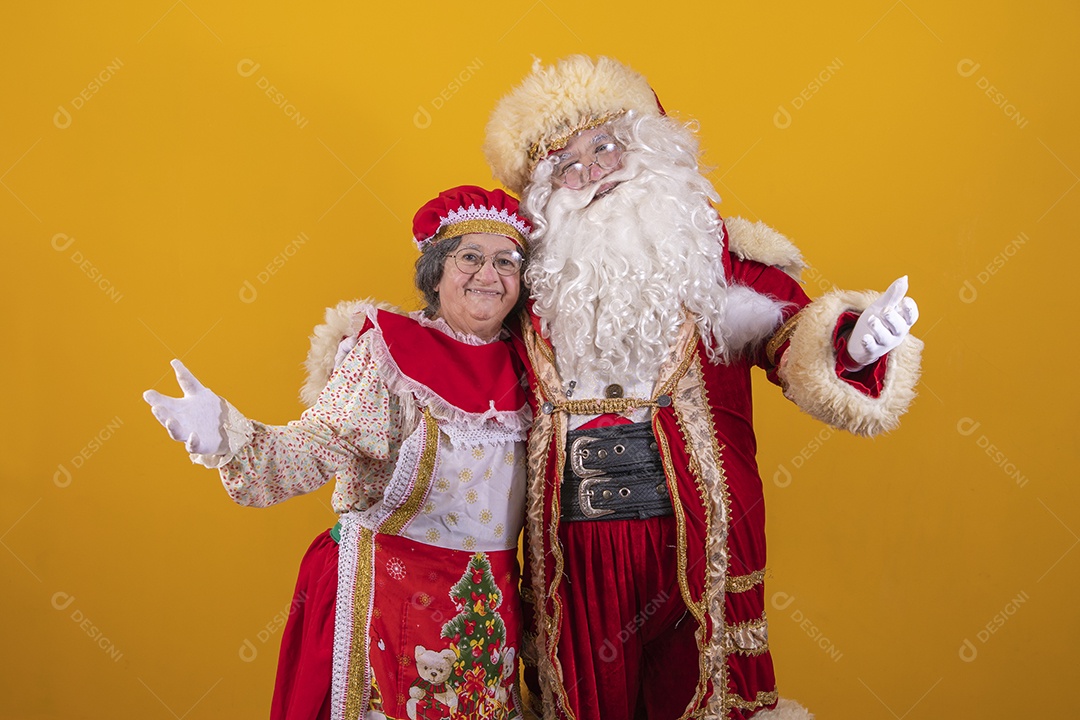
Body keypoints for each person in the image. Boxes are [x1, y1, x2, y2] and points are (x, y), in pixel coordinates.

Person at [480, 56, 924, 720]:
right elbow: (459, 372)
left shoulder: (720, 259)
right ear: (546, 194)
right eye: (566, 165)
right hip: (573, 555)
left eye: (605, 146)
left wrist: (852, 343)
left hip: (698, 538)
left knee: (706, 694)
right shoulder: (524, 290)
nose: (594, 174)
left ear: (647, 142)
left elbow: (793, 337)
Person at [143, 186, 535, 720]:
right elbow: (316, 445)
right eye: (470, 257)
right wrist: (226, 435)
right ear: (437, 271)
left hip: (483, 611)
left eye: (505, 262)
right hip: (378, 600)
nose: (488, 275)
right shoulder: (387, 356)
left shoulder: (534, 370)